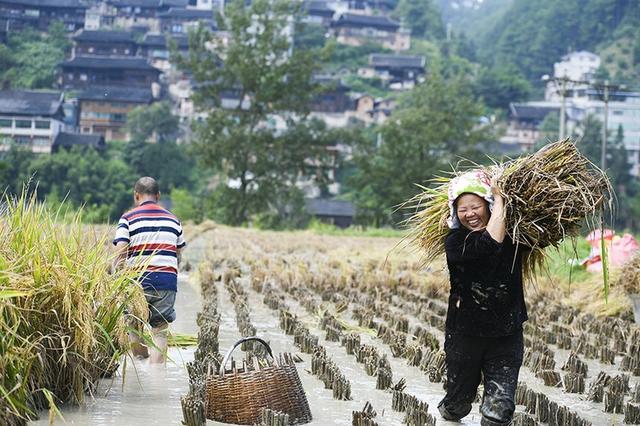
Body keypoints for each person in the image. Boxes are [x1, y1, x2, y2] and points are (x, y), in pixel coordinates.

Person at [437, 170, 528, 426]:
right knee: (458, 405)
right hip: (465, 334)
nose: (470, 214)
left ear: (486, 206)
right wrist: (499, 198)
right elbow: (490, 243)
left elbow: (546, 234)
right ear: (455, 213)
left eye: (475, 206)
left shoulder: (515, 235)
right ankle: (451, 409)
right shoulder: (455, 242)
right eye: (463, 209)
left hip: (506, 332)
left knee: (498, 412)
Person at [113, 176, 186, 364]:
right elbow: (178, 254)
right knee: (160, 332)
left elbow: (120, 253)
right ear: (158, 196)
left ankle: (142, 362)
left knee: (133, 328)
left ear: (136, 195)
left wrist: (117, 279)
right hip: (166, 282)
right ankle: (156, 377)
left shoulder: (127, 219)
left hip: (137, 282)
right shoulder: (174, 221)